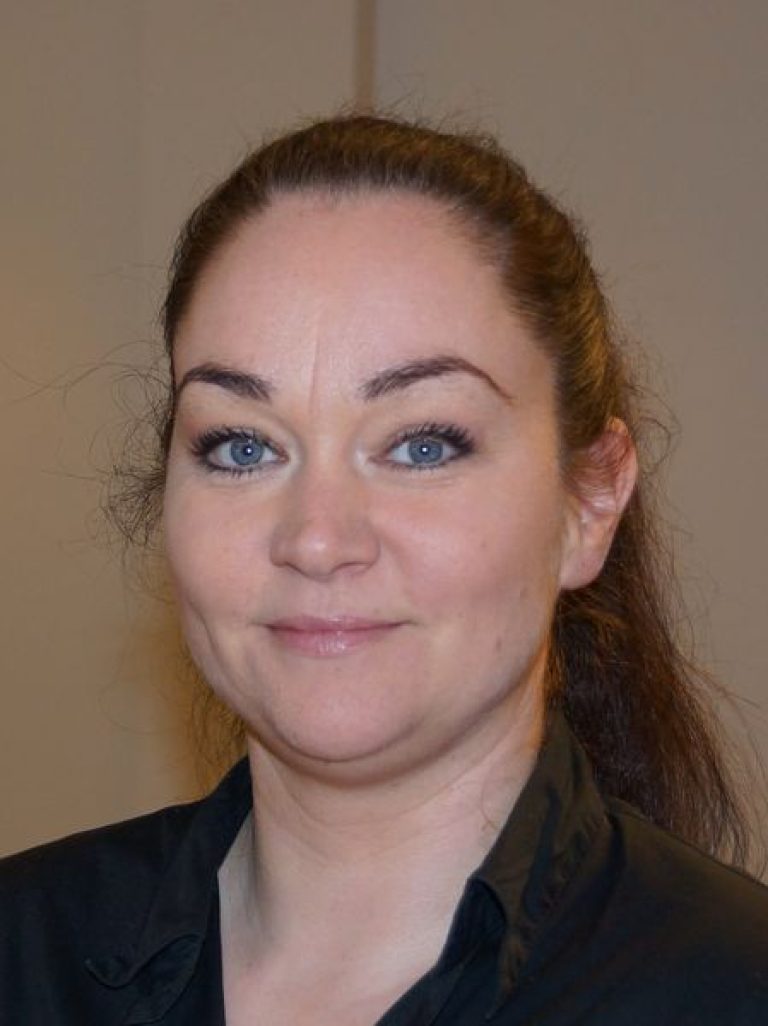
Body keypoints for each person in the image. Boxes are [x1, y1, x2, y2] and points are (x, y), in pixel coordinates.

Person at [1, 113, 766, 1026]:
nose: (317, 540)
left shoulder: (730, 988)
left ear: (589, 504)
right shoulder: (25, 955)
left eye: (422, 445)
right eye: (243, 447)